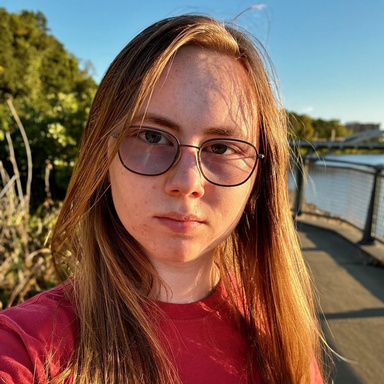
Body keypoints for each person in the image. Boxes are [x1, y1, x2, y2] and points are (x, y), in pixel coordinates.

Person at [0, 14, 327, 384]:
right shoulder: (24, 348)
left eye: (221, 147)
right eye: (152, 137)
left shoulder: (282, 334)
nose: (187, 182)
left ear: (260, 178)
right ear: (101, 154)